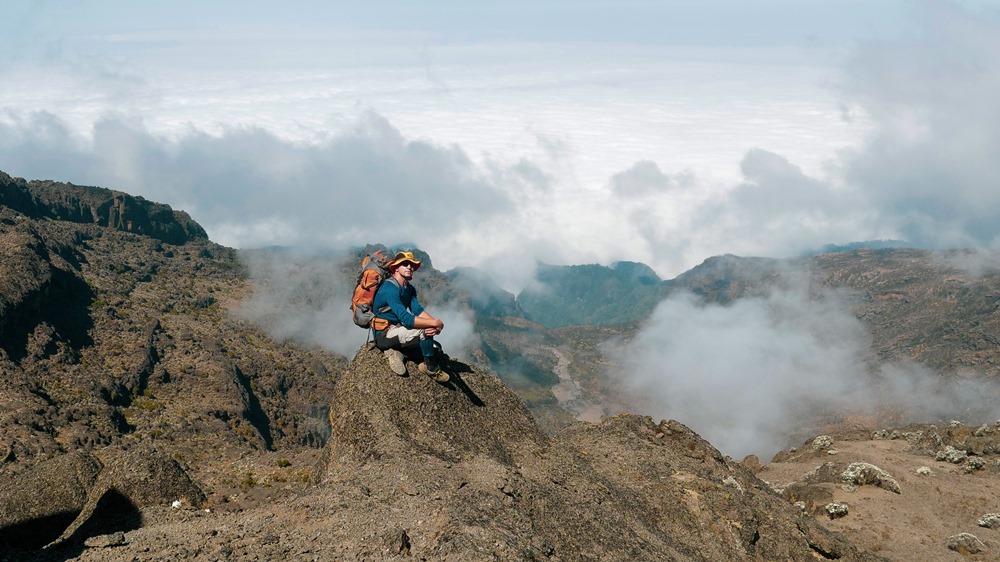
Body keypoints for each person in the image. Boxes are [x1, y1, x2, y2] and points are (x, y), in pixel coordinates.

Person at [371, 251, 449, 383]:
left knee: (436, 348)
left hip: (398, 330)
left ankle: (399, 352)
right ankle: (429, 368)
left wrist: (435, 324)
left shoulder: (409, 289)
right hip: (384, 334)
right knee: (425, 332)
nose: (410, 267)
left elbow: (418, 311)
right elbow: (406, 318)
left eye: (412, 265)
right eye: (405, 264)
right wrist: (433, 323)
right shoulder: (389, 288)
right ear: (396, 268)